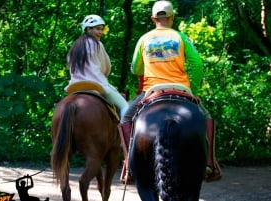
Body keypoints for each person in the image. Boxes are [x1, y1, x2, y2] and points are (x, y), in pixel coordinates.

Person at [118, 0, 221, 182]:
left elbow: (135, 68)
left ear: (153, 19)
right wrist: (193, 90)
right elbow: (197, 64)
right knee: (206, 116)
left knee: (126, 118)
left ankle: (129, 166)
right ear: (172, 18)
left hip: (152, 90)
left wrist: (150, 68)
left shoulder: (144, 39)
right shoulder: (181, 37)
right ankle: (209, 164)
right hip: (180, 88)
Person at [65, 14, 128, 118]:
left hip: (75, 86)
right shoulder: (97, 44)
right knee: (125, 106)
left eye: (102, 29)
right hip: (96, 85)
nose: (101, 32)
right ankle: (126, 134)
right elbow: (106, 68)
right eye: (98, 29)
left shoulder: (74, 47)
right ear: (88, 29)